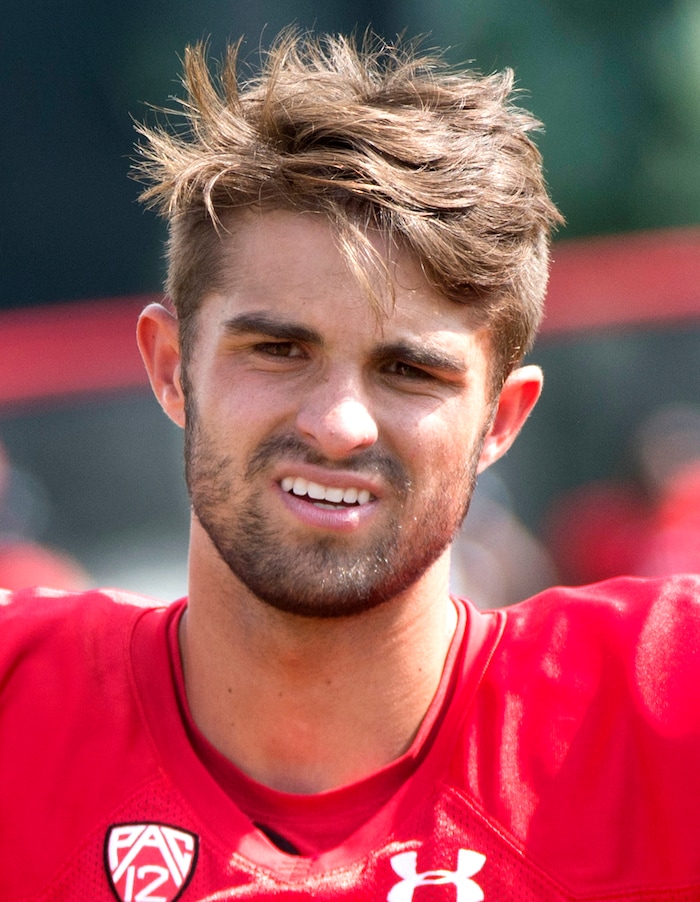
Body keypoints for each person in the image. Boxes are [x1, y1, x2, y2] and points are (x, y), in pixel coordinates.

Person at [1, 31, 699, 902]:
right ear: (171, 366)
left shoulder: (664, 705)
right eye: (280, 349)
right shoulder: (17, 703)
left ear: (502, 419)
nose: (337, 425)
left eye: (409, 370)